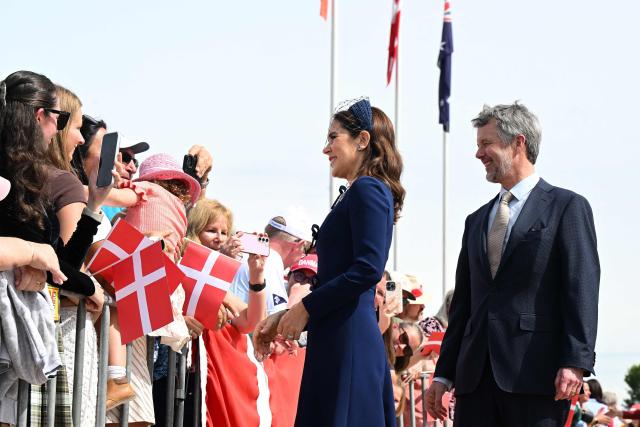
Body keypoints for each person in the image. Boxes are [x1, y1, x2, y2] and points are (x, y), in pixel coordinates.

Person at [426, 102, 600, 426]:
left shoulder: (567, 207)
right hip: (474, 384)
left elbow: (582, 289)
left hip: (536, 378)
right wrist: (444, 374)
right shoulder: (475, 221)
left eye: (485, 143)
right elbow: (463, 305)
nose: (479, 154)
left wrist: (576, 361)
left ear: (518, 143)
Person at [253, 97, 405, 427]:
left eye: (333, 137)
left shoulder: (367, 190)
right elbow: (339, 278)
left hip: (348, 343)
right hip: (338, 338)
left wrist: (305, 309)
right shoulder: (358, 192)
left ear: (362, 140)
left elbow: (366, 270)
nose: (326, 149)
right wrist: (285, 316)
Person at [230, 215, 308, 316]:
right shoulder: (271, 260)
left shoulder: (247, 253)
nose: (303, 256)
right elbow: (274, 328)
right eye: (306, 249)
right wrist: (296, 301)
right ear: (300, 245)